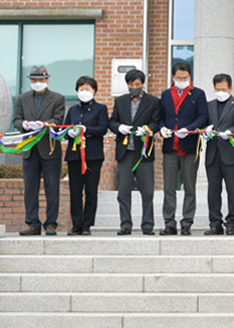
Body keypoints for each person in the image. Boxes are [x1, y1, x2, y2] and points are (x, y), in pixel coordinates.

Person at [12, 65, 65, 236]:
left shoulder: (57, 98)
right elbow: (16, 120)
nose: (37, 83)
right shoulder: (22, 98)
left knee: (52, 188)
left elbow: (58, 120)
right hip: (30, 149)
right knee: (30, 189)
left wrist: (45, 125)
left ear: (47, 80)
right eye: (34, 80)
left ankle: (51, 224)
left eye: (41, 80)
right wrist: (25, 124)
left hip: (50, 149)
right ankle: (32, 223)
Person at [158, 61, 208, 236]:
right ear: (173, 77)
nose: (182, 80)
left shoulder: (198, 94)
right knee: (169, 188)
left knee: (189, 187)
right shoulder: (166, 95)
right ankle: (169, 223)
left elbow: (203, 117)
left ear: (190, 76)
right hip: (170, 147)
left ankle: (187, 223)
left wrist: (190, 129)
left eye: (185, 78)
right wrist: (162, 128)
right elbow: (161, 117)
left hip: (189, 147)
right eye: (179, 78)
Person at [109, 68, 159, 236]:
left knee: (147, 191)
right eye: (131, 84)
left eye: (137, 84)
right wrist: (119, 128)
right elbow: (112, 122)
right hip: (125, 152)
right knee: (123, 191)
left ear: (143, 84)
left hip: (144, 152)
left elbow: (156, 123)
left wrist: (148, 129)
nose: (134, 87)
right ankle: (125, 224)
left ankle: (148, 225)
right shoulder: (120, 101)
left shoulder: (153, 102)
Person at [63, 76, 109, 236]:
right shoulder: (72, 110)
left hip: (92, 156)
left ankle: (87, 225)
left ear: (94, 91)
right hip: (74, 155)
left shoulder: (100, 109)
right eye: (82, 89)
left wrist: (86, 130)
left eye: (88, 89)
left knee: (91, 191)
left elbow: (103, 128)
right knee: (75, 191)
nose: (84, 92)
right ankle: (76, 224)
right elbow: (64, 129)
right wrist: (69, 132)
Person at [203, 73, 234, 236]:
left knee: (233, 191)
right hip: (213, 154)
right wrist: (206, 131)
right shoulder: (209, 105)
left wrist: (230, 132)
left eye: (223, 89)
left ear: (230, 88)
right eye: (217, 89)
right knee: (213, 191)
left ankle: (231, 223)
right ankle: (215, 223)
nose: (220, 92)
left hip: (231, 154)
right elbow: (203, 123)